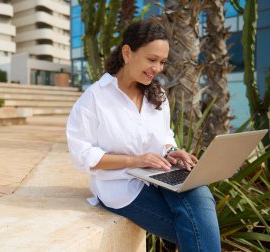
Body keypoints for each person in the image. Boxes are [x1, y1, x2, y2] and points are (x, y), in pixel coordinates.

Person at [66, 17, 221, 252]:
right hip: (121, 187)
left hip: (160, 174)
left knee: (201, 194)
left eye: (162, 62)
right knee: (195, 229)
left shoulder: (157, 93)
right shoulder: (95, 98)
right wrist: (135, 161)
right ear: (127, 52)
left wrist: (172, 151)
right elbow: (81, 154)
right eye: (151, 59)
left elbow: (165, 135)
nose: (157, 69)